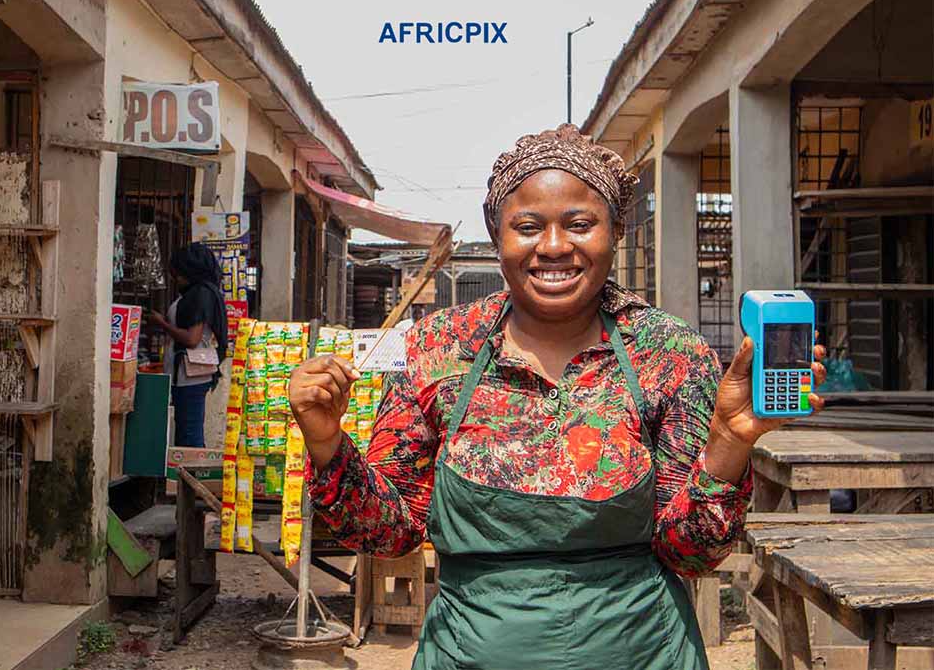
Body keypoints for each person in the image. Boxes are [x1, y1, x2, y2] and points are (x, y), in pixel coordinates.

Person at [289, 125, 828, 670]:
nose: (552, 247)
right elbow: (388, 533)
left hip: (642, 654)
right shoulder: (439, 347)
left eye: (579, 224)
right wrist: (328, 442)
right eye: (527, 227)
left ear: (615, 229)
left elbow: (693, 553)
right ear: (497, 233)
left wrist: (729, 441)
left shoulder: (668, 353)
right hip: (469, 655)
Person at [150, 242, 228, 448]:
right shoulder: (199, 293)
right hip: (186, 376)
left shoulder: (200, 295)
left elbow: (191, 339)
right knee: (186, 432)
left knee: (189, 436)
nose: (176, 278)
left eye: (179, 273)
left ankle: (193, 478)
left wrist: (162, 324)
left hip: (190, 376)